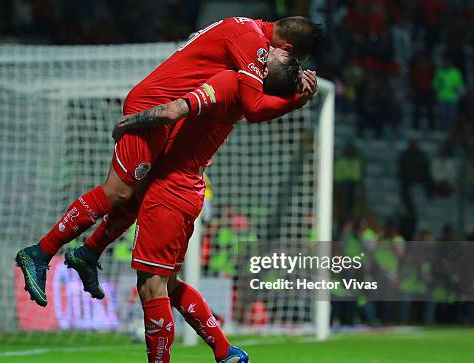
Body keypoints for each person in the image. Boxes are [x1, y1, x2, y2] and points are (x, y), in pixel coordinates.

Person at [16, 16, 324, 307]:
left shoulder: (245, 29)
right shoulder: (252, 43)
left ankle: (88, 253)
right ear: (287, 48)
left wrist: (292, 91)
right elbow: (254, 107)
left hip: (165, 113)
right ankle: (39, 253)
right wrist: (296, 100)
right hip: (154, 106)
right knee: (118, 192)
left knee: (137, 197)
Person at [105, 50, 302, 363]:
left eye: (272, 54)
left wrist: (128, 122)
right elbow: (265, 105)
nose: (266, 48)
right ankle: (226, 354)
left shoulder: (230, 82)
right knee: (168, 284)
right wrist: (300, 94)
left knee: (152, 286)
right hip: (187, 188)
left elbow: (170, 110)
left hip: (170, 190)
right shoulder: (246, 93)